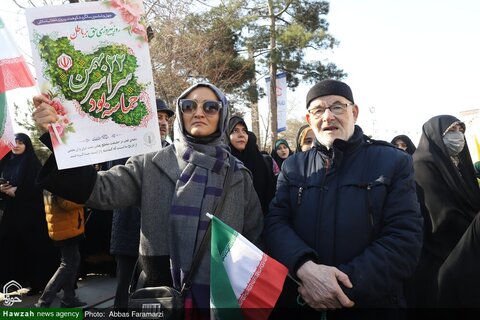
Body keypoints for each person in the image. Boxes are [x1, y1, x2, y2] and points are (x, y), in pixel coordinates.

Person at [32, 82, 263, 317]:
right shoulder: (150, 163)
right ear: (181, 113)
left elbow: (254, 237)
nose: (199, 112)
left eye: (211, 107)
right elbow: (99, 190)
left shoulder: (238, 176)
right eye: (189, 105)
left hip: (222, 298)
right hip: (159, 296)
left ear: (222, 114)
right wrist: (59, 134)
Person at [263, 79, 423, 316]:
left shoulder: (393, 162)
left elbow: (404, 239)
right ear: (309, 119)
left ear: (354, 112)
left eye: (337, 106)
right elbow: (276, 224)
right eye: (318, 110)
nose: (327, 117)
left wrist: (340, 286)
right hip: (304, 300)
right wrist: (304, 268)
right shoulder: (293, 167)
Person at [108, 98, 175, 308]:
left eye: (166, 118)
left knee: (154, 297)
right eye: (158, 117)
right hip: (129, 233)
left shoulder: (174, 153)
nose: (163, 122)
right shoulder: (125, 147)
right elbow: (112, 183)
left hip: (159, 241)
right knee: (124, 293)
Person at [410, 115, 480, 307]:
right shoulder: (421, 166)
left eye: (460, 130)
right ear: (435, 136)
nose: (458, 136)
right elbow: (443, 219)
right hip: (442, 257)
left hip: (469, 247)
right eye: (451, 131)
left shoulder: (459, 164)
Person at [0, 133, 57, 295]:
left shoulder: (32, 164)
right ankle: (12, 282)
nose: (16, 145)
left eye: (21, 143)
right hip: (12, 214)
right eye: (14, 142)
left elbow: (38, 187)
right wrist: (3, 189)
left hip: (31, 214)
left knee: (32, 248)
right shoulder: (6, 162)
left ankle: (37, 284)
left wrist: (17, 191)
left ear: (27, 145)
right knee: (9, 245)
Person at [35, 192, 87, 308]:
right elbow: (66, 203)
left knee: (71, 261)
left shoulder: (50, 178)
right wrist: (84, 200)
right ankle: (44, 301)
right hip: (66, 227)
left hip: (63, 226)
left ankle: (69, 298)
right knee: (68, 263)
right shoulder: (59, 179)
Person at [227, 116, 276, 215]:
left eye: (244, 131)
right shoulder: (223, 163)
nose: (241, 135)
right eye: (235, 130)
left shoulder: (261, 162)